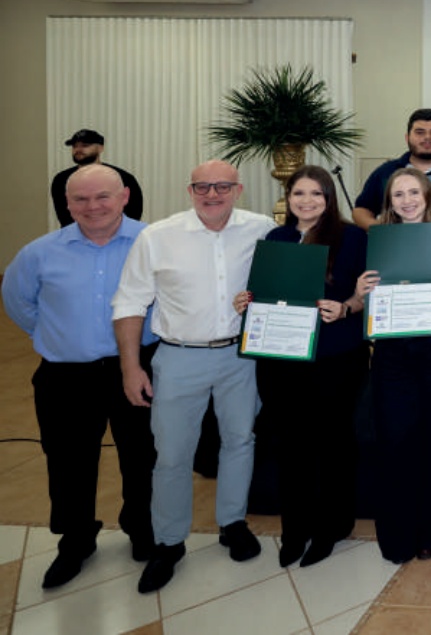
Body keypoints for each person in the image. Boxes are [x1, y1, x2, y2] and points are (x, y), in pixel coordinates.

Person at [113, 160, 276, 593]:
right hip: (179, 357)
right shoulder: (158, 237)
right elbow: (129, 303)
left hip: (241, 357)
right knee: (171, 454)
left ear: (238, 190)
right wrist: (131, 367)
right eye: (202, 186)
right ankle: (169, 541)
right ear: (189, 191)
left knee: (240, 441)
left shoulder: (260, 229)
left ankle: (232, 523)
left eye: (223, 186)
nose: (212, 193)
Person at [4, 165, 158, 588]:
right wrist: (58, 336)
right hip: (64, 377)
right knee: (68, 461)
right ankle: (75, 540)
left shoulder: (154, 243)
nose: (92, 207)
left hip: (138, 368)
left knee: (142, 455)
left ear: (124, 196)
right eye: (81, 199)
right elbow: (19, 303)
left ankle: (142, 530)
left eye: (102, 197)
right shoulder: (39, 252)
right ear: (67, 203)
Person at [231, 165, 367, 568]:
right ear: (288, 199)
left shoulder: (352, 237)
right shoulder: (277, 237)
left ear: (329, 199)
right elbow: (270, 294)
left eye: (316, 195)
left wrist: (345, 307)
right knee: (291, 445)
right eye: (299, 194)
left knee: (333, 444)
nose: (306, 202)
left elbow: (364, 295)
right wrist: (247, 302)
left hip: (335, 358)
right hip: (282, 360)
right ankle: (295, 530)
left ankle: (331, 526)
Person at [355, 168, 431, 564]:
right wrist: (362, 292)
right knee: (397, 439)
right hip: (394, 356)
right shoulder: (377, 240)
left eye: (413, 192)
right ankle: (398, 531)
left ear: (428, 196)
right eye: (398, 195)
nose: (407, 200)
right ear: (389, 202)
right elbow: (361, 300)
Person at [352, 108, 431, 231]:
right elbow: (361, 210)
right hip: (398, 245)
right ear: (407, 137)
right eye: (420, 132)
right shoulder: (385, 172)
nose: (427, 138)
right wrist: (380, 229)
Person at [51, 129, 144, 226]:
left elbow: (134, 211)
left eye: (85, 146)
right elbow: (64, 215)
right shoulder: (61, 180)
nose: (78, 150)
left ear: (100, 148)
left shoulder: (122, 177)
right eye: (75, 146)